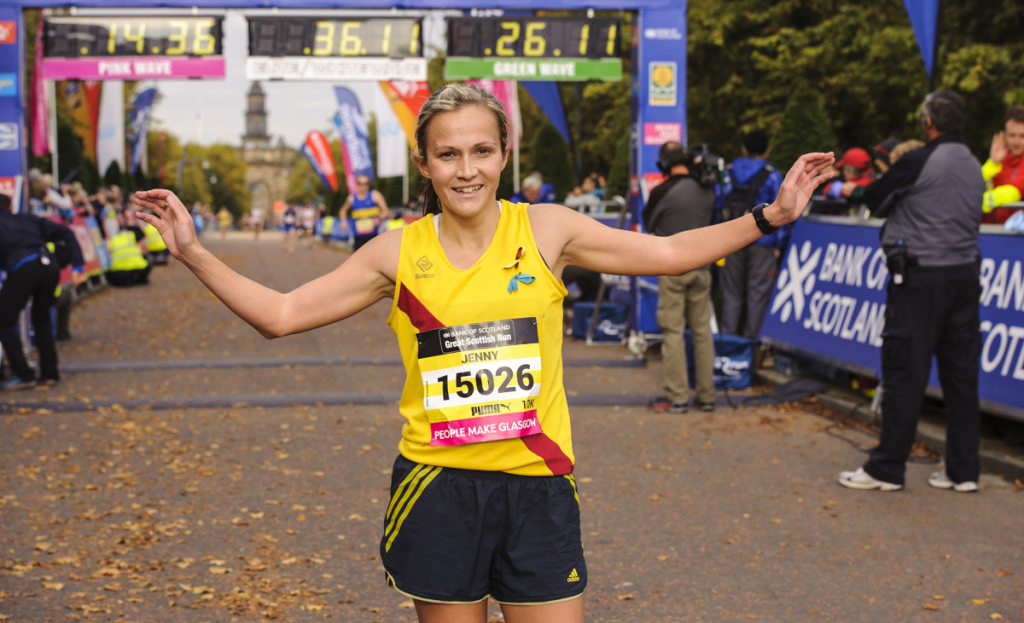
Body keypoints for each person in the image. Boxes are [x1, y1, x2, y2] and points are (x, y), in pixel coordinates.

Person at [134, 83, 834, 623]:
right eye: (448, 154)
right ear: (424, 164)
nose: (466, 170)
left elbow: (671, 251)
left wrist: (770, 215)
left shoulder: (550, 230)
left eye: (480, 151)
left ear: (504, 154)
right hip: (438, 490)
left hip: (538, 485)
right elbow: (283, 316)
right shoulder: (394, 253)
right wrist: (194, 253)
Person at [838, 90, 984, 493]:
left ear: (927, 123)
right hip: (965, 277)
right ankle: (963, 470)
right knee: (961, 377)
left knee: (904, 372)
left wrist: (854, 193)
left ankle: (887, 468)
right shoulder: (974, 165)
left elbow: (876, 198)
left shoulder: (920, 160)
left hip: (920, 279)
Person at [643, 142, 718, 413]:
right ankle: (707, 396)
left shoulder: (662, 191)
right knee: (702, 332)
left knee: (673, 331)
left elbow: (649, 224)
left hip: (673, 268)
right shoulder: (707, 190)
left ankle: (677, 396)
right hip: (703, 265)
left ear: (663, 164)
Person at [0, 193, 86, 390]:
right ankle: (50, 374)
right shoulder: (28, 219)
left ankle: (24, 374)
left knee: (3, 321)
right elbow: (66, 233)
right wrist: (77, 266)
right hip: (48, 267)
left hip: (25, 269)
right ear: (10, 205)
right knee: (42, 320)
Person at [719, 129, 788, 344]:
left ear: (743, 148)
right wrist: (779, 243)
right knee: (758, 295)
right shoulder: (773, 174)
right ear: (767, 150)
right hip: (764, 242)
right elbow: (783, 208)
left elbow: (718, 203)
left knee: (731, 293)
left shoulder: (727, 172)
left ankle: (727, 346)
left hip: (730, 240)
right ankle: (751, 348)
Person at [981, 103, 1024, 224]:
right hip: (991, 233)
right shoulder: (1001, 159)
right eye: (1012, 135)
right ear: (1004, 135)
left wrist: (978, 202)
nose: (1016, 142)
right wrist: (993, 163)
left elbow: (1014, 191)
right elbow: (976, 185)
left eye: (1022, 136)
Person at [340, 175, 389, 251]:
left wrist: (379, 219)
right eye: (360, 183)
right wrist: (343, 221)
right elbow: (342, 210)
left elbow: (385, 211)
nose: (363, 186)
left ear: (368, 185)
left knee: (373, 259)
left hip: (372, 235)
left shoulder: (375, 195)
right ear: (357, 185)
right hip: (358, 235)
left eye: (365, 183)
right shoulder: (351, 198)